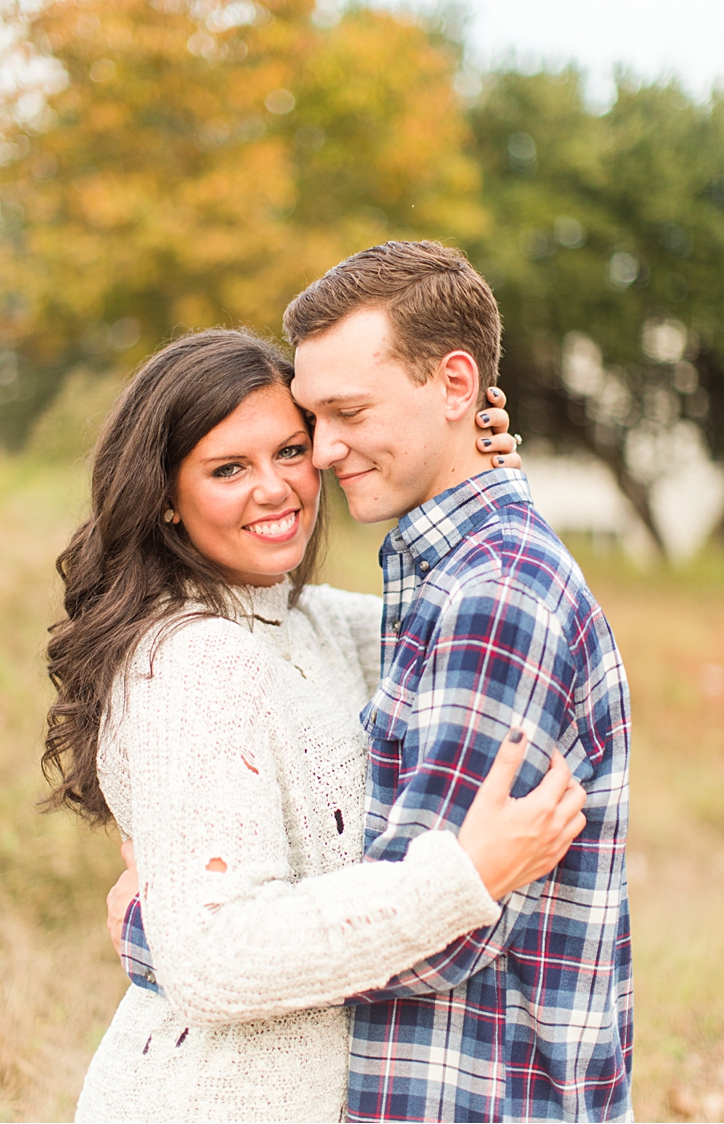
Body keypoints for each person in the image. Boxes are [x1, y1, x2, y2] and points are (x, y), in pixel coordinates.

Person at [116, 240, 634, 1121]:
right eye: (310, 421)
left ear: (457, 384)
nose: (317, 456)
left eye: (335, 417)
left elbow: (445, 930)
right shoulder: (415, 597)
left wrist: (151, 927)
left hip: (478, 1090)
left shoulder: (486, 596)